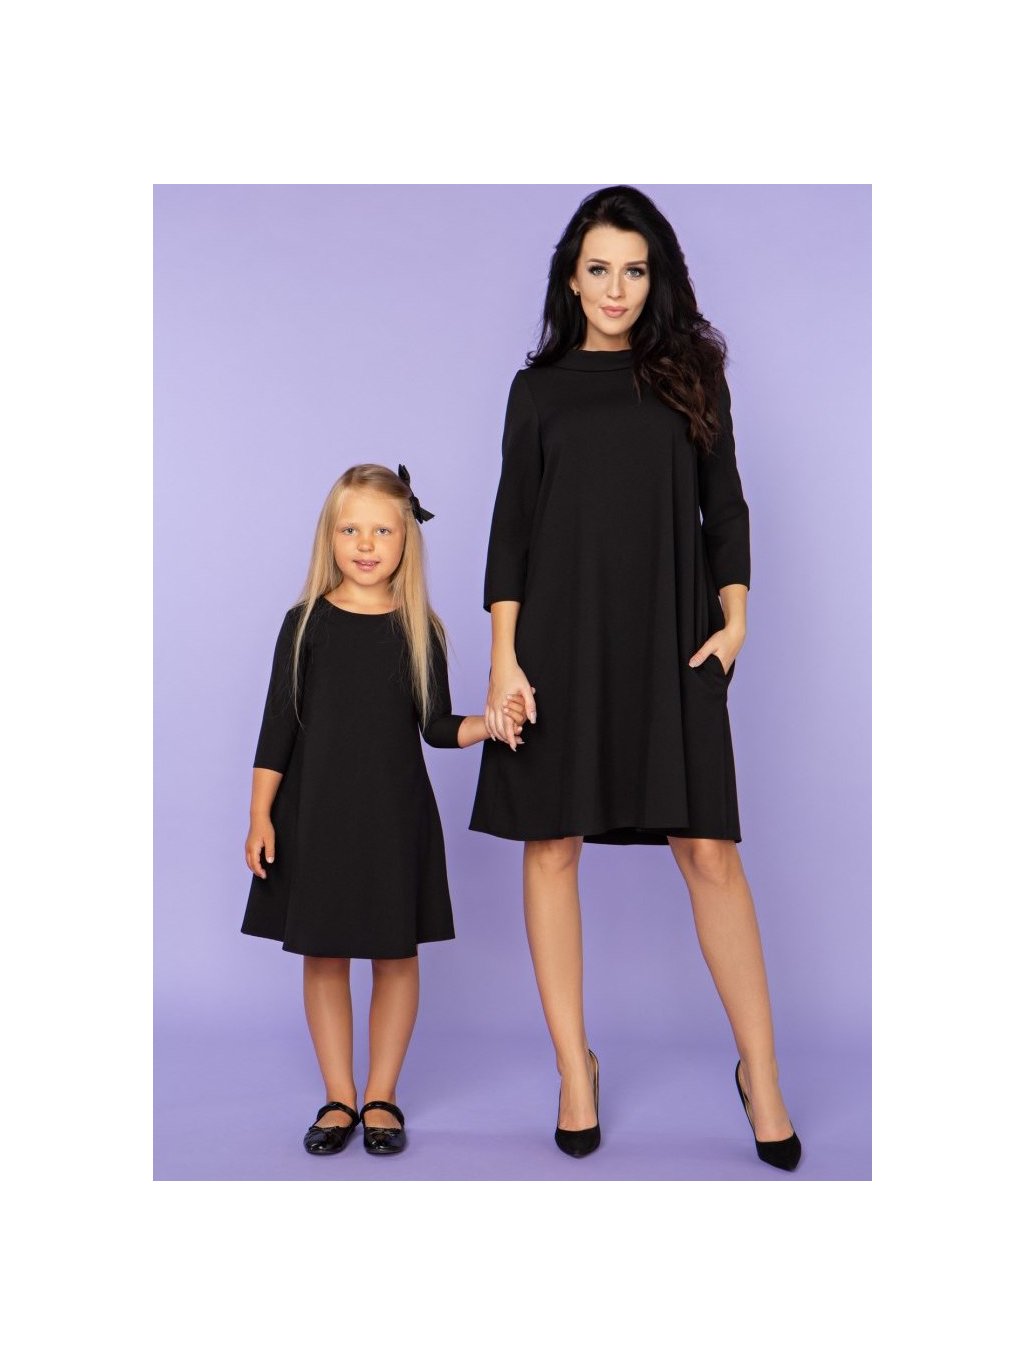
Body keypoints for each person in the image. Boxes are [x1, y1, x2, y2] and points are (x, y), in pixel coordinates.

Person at [470, 186, 802, 1171]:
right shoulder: (537, 392)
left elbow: (724, 501)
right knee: (551, 845)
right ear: (571, 280)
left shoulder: (691, 376)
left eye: (635, 270)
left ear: (655, 280)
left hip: (672, 638)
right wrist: (504, 656)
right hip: (557, 644)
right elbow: (511, 528)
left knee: (709, 853)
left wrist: (735, 618)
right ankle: (574, 1068)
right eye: (599, 269)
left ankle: (762, 1076)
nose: (617, 288)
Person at [242, 463, 525, 1157]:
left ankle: (381, 1094)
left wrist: (489, 723)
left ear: (406, 540)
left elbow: (435, 726)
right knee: (324, 954)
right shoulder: (304, 624)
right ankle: (339, 1094)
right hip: (316, 816)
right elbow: (276, 729)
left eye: (381, 531)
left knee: (396, 956)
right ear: (330, 537)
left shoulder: (420, 629)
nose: (365, 544)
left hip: (395, 818)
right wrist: (260, 815)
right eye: (350, 530)